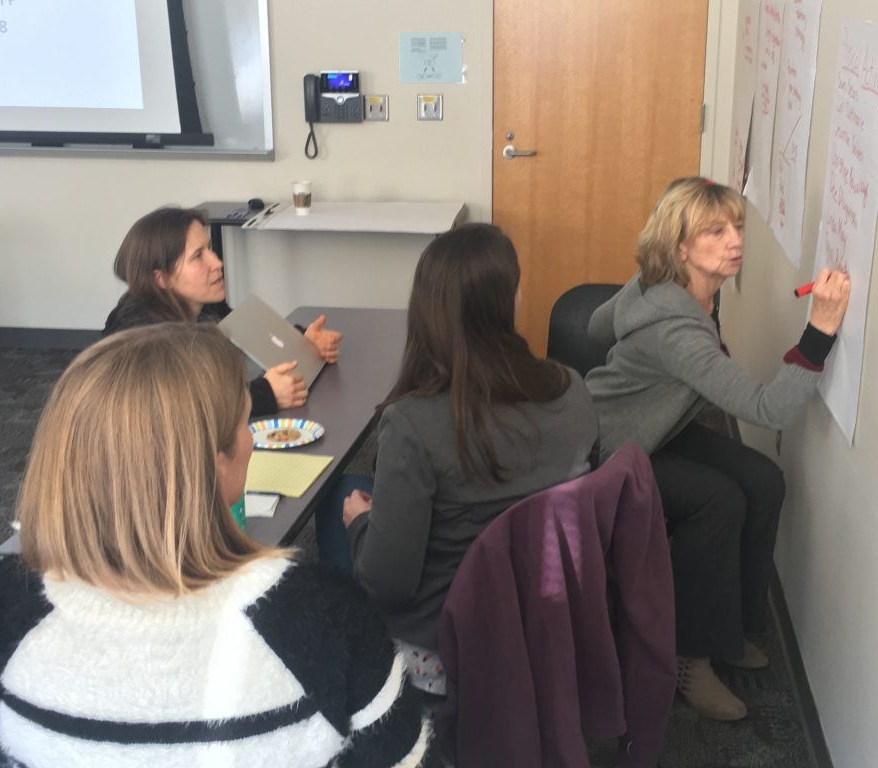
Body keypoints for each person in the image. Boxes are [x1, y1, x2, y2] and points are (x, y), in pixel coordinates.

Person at [0, 324, 432, 768]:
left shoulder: (0, 607)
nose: (252, 441)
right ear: (212, 463)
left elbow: (0, 751)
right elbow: (399, 757)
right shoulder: (323, 615)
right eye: (247, 425)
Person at [584, 177, 851, 721]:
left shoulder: (666, 282)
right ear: (680, 248)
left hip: (660, 428)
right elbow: (768, 408)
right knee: (718, 500)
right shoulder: (677, 330)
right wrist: (819, 331)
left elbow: (595, 325)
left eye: (738, 227)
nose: (735, 241)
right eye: (715, 231)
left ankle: (733, 629)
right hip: (614, 448)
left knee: (764, 480)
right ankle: (691, 657)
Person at [336, 223, 599, 696]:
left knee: (345, 502)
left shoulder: (411, 424)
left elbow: (387, 583)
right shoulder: (572, 388)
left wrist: (359, 523)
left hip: (446, 647)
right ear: (509, 302)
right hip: (550, 620)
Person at [102, 206, 342, 417]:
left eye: (209, 249)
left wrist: (302, 341)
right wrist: (264, 395)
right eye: (198, 256)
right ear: (161, 278)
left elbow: (248, 339)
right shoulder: (139, 336)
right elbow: (176, 409)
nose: (217, 263)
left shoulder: (202, 303)